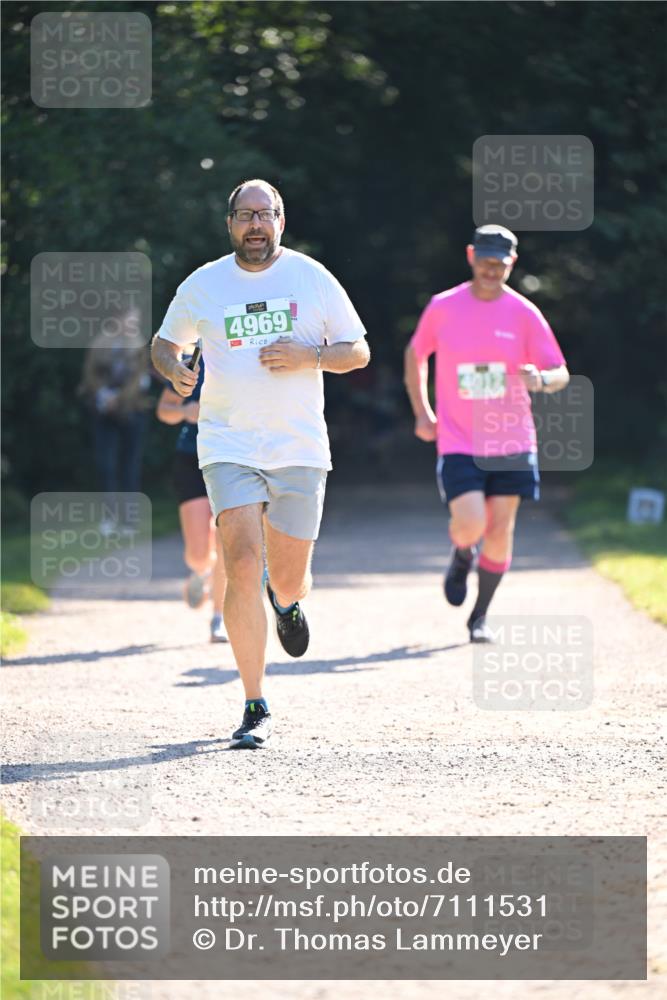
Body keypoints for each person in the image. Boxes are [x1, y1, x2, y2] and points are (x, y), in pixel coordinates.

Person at [151, 179, 370, 748]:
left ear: (281, 220)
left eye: (264, 214)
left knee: (288, 576)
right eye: (245, 215)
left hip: (298, 447)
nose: (255, 224)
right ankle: (254, 702)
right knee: (242, 560)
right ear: (229, 223)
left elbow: (358, 350)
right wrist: (175, 369)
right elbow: (165, 343)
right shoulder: (204, 283)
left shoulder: (311, 277)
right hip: (228, 444)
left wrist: (310, 355)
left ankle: (287, 603)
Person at [404, 225, 569, 643]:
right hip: (459, 438)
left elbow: (560, 372)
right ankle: (463, 553)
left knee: (499, 532)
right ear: (470, 256)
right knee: (471, 524)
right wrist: (423, 412)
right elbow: (416, 354)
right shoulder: (444, 307)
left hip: (512, 440)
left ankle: (479, 616)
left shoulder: (524, 313)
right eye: (485, 262)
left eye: (500, 264)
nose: (491, 271)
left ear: (512, 263)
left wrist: (541, 380)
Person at [156, 353, 228, 643]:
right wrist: (186, 411)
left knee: (226, 543)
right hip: (191, 458)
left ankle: (219, 617)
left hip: (233, 459)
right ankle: (202, 571)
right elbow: (164, 410)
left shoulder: (246, 356)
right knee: (198, 553)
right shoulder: (192, 362)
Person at [78, 308, 151, 534]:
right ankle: (109, 518)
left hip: (132, 410)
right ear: (117, 320)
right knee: (106, 465)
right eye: (129, 320)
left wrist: (118, 399)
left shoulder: (139, 345)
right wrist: (103, 395)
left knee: (130, 465)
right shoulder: (101, 342)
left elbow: (139, 378)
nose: (132, 325)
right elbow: (90, 373)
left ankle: (129, 521)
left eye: (135, 321)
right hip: (103, 411)